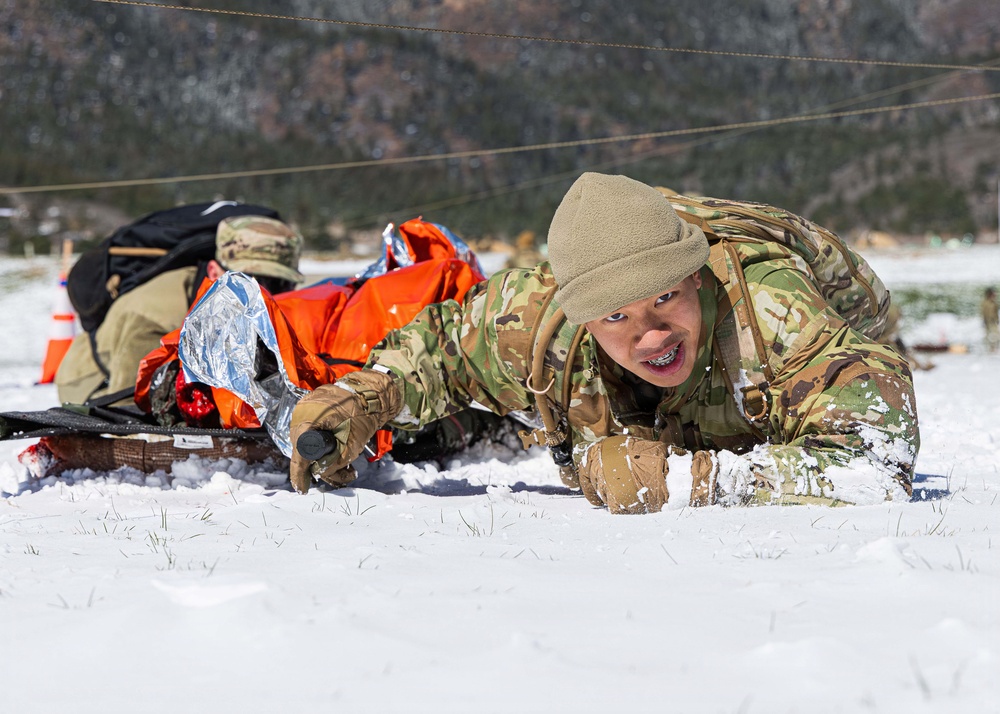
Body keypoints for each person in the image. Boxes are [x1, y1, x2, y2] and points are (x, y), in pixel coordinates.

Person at [289, 173, 919, 513]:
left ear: (696, 276)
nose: (650, 333)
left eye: (666, 298)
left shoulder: (771, 310)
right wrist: (362, 399)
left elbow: (875, 459)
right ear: (583, 318)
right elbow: (444, 349)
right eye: (616, 315)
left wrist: (692, 479)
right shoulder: (536, 321)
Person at [56, 216, 304, 406]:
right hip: (92, 388)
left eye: (280, 283)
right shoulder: (158, 314)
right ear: (213, 271)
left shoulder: (224, 297)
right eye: (251, 279)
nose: (264, 292)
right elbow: (125, 407)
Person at [982, 287, 999, 353]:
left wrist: (997, 319)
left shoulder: (994, 303)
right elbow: (983, 312)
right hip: (987, 321)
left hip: (993, 321)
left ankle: (993, 347)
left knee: (995, 334)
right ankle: (989, 348)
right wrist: (984, 320)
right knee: (988, 334)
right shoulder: (985, 303)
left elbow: (995, 312)